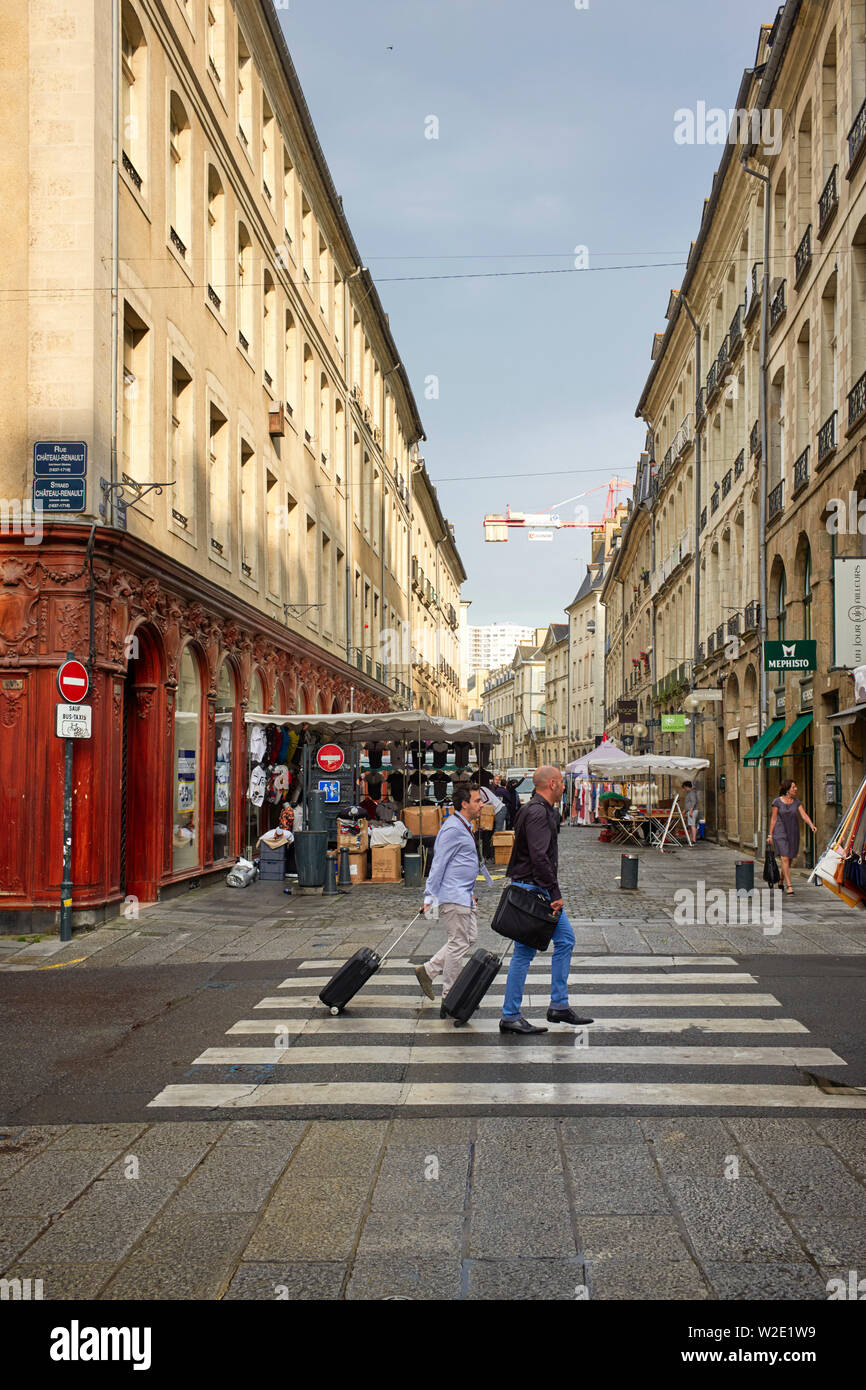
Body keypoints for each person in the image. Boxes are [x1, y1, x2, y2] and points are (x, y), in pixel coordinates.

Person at [500, 765, 594, 1034]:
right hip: (535, 891)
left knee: (564, 940)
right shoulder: (539, 812)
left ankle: (559, 1005)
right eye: (562, 782)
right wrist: (554, 893)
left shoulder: (534, 809)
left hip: (533, 887)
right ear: (552, 784)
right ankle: (511, 1014)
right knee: (524, 952)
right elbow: (539, 856)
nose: (564, 787)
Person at [415, 784, 484, 1017]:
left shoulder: (464, 826)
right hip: (453, 895)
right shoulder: (453, 828)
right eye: (477, 801)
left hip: (464, 893)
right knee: (458, 943)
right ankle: (451, 997)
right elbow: (439, 863)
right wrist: (429, 896)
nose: (481, 805)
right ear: (464, 804)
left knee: (468, 938)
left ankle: (429, 970)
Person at [768, 779, 817, 894]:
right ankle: (789, 886)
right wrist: (770, 834)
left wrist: (811, 825)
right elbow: (773, 819)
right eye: (794, 787)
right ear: (787, 789)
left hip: (793, 833)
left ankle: (781, 880)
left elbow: (804, 815)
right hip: (780, 833)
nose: (796, 789)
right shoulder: (777, 802)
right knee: (784, 858)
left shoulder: (796, 802)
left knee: (788, 859)